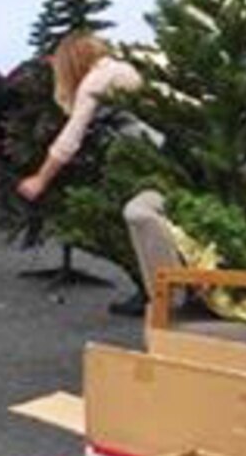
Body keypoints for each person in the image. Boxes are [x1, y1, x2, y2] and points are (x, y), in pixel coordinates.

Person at [14, 32, 160, 317]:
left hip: (148, 153)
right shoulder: (119, 69)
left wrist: (41, 179)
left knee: (120, 222)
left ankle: (152, 292)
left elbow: (70, 138)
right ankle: (153, 291)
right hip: (155, 149)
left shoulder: (96, 81)